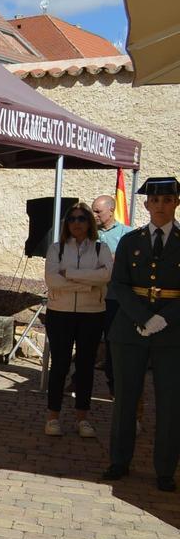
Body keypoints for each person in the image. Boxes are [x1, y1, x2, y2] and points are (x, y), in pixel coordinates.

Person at [104, 176, 180, 492]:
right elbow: (118, 284)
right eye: (154, 200)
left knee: (171, 403)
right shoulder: (130, 241)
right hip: (130, 329)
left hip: (173, 332)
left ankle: (165, 469)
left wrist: (163, 319)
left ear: (176, 202)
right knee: (125, 398)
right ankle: (119, 461)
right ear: (146, 204)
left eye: (167, 200)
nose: (160, 206)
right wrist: (144, 318)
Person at [42, 202, 112, 438]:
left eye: (82, 218)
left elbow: (106, 276)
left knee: (85, 367)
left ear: (89, 222)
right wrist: (88, 284)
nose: (76, 223)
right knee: (60, 365)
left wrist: (70, 274)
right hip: (59, 313)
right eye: (72, 219)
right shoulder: (56, 249)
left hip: (92, 314)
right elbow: (52, 280)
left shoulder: (101, 249)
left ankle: (82, 418)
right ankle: (53, 417)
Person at [93, 193, 134, 396]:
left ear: (111, 210)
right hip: (91, 297)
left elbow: (124, 263)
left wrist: (107, 258)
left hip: (113, 299)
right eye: (92, 211)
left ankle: (114, 386)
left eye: (98, 211)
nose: (95, 215)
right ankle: (77, 380)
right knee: (87, 342)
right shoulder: (90, 232)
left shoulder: (127, 234)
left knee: (111, 343)